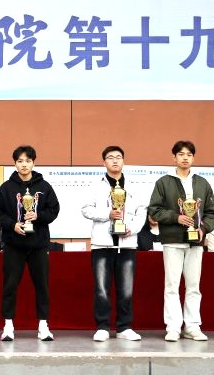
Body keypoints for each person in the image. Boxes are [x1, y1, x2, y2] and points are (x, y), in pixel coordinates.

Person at [148, 140, 214, 342]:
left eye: (189, 154)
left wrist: (203, 229)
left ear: (193, 158)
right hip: (172, 241)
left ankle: (192, 326)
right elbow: (154, 210)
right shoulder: (163, 182)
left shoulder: (202, 183)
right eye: (181, 154)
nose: (185, 158)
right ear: (174, 157)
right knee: (171, 286)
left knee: (193, 286)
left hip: (196, 242)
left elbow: (213, 213)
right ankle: (173, 327)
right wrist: (175, 217)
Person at [0, 145, 60, 341]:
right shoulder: (6, 187)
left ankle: (43, 326)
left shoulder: (44, 186)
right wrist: (12, 225)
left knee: (42, 285)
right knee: (10, 285)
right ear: (15, 164)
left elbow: (54, 210)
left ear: (33, 163)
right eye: (20, 161)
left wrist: (38, 216)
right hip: (14, 245)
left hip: (39, 245)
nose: (24, 165)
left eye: (28, 161)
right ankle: (8, 326)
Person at [81, 146, 146, 342]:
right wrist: (107, 214)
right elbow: (86, 209)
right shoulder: (96, 186)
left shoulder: (133, 186)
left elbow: (142, 211)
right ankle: (102, 327)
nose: (115, 160)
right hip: (102, 244)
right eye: (110, 157)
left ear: (124, 161)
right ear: (104, 162)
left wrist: (131, 229)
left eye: (118, 157)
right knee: (102, 288)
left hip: (127, 244)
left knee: (126, 289)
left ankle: (124, 327)